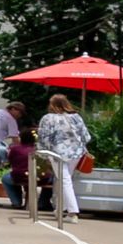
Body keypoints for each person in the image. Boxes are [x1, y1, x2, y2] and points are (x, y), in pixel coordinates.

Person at [37, 93, 91, 221]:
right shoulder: (76, 117)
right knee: (65, 180)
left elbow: (44, 137)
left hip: (57, 153)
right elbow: (86, 136)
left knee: (64, 180)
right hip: (76, 153)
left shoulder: (48, 118)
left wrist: (42, 152)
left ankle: (72, 212)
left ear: (53, 105)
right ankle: (61, 209)